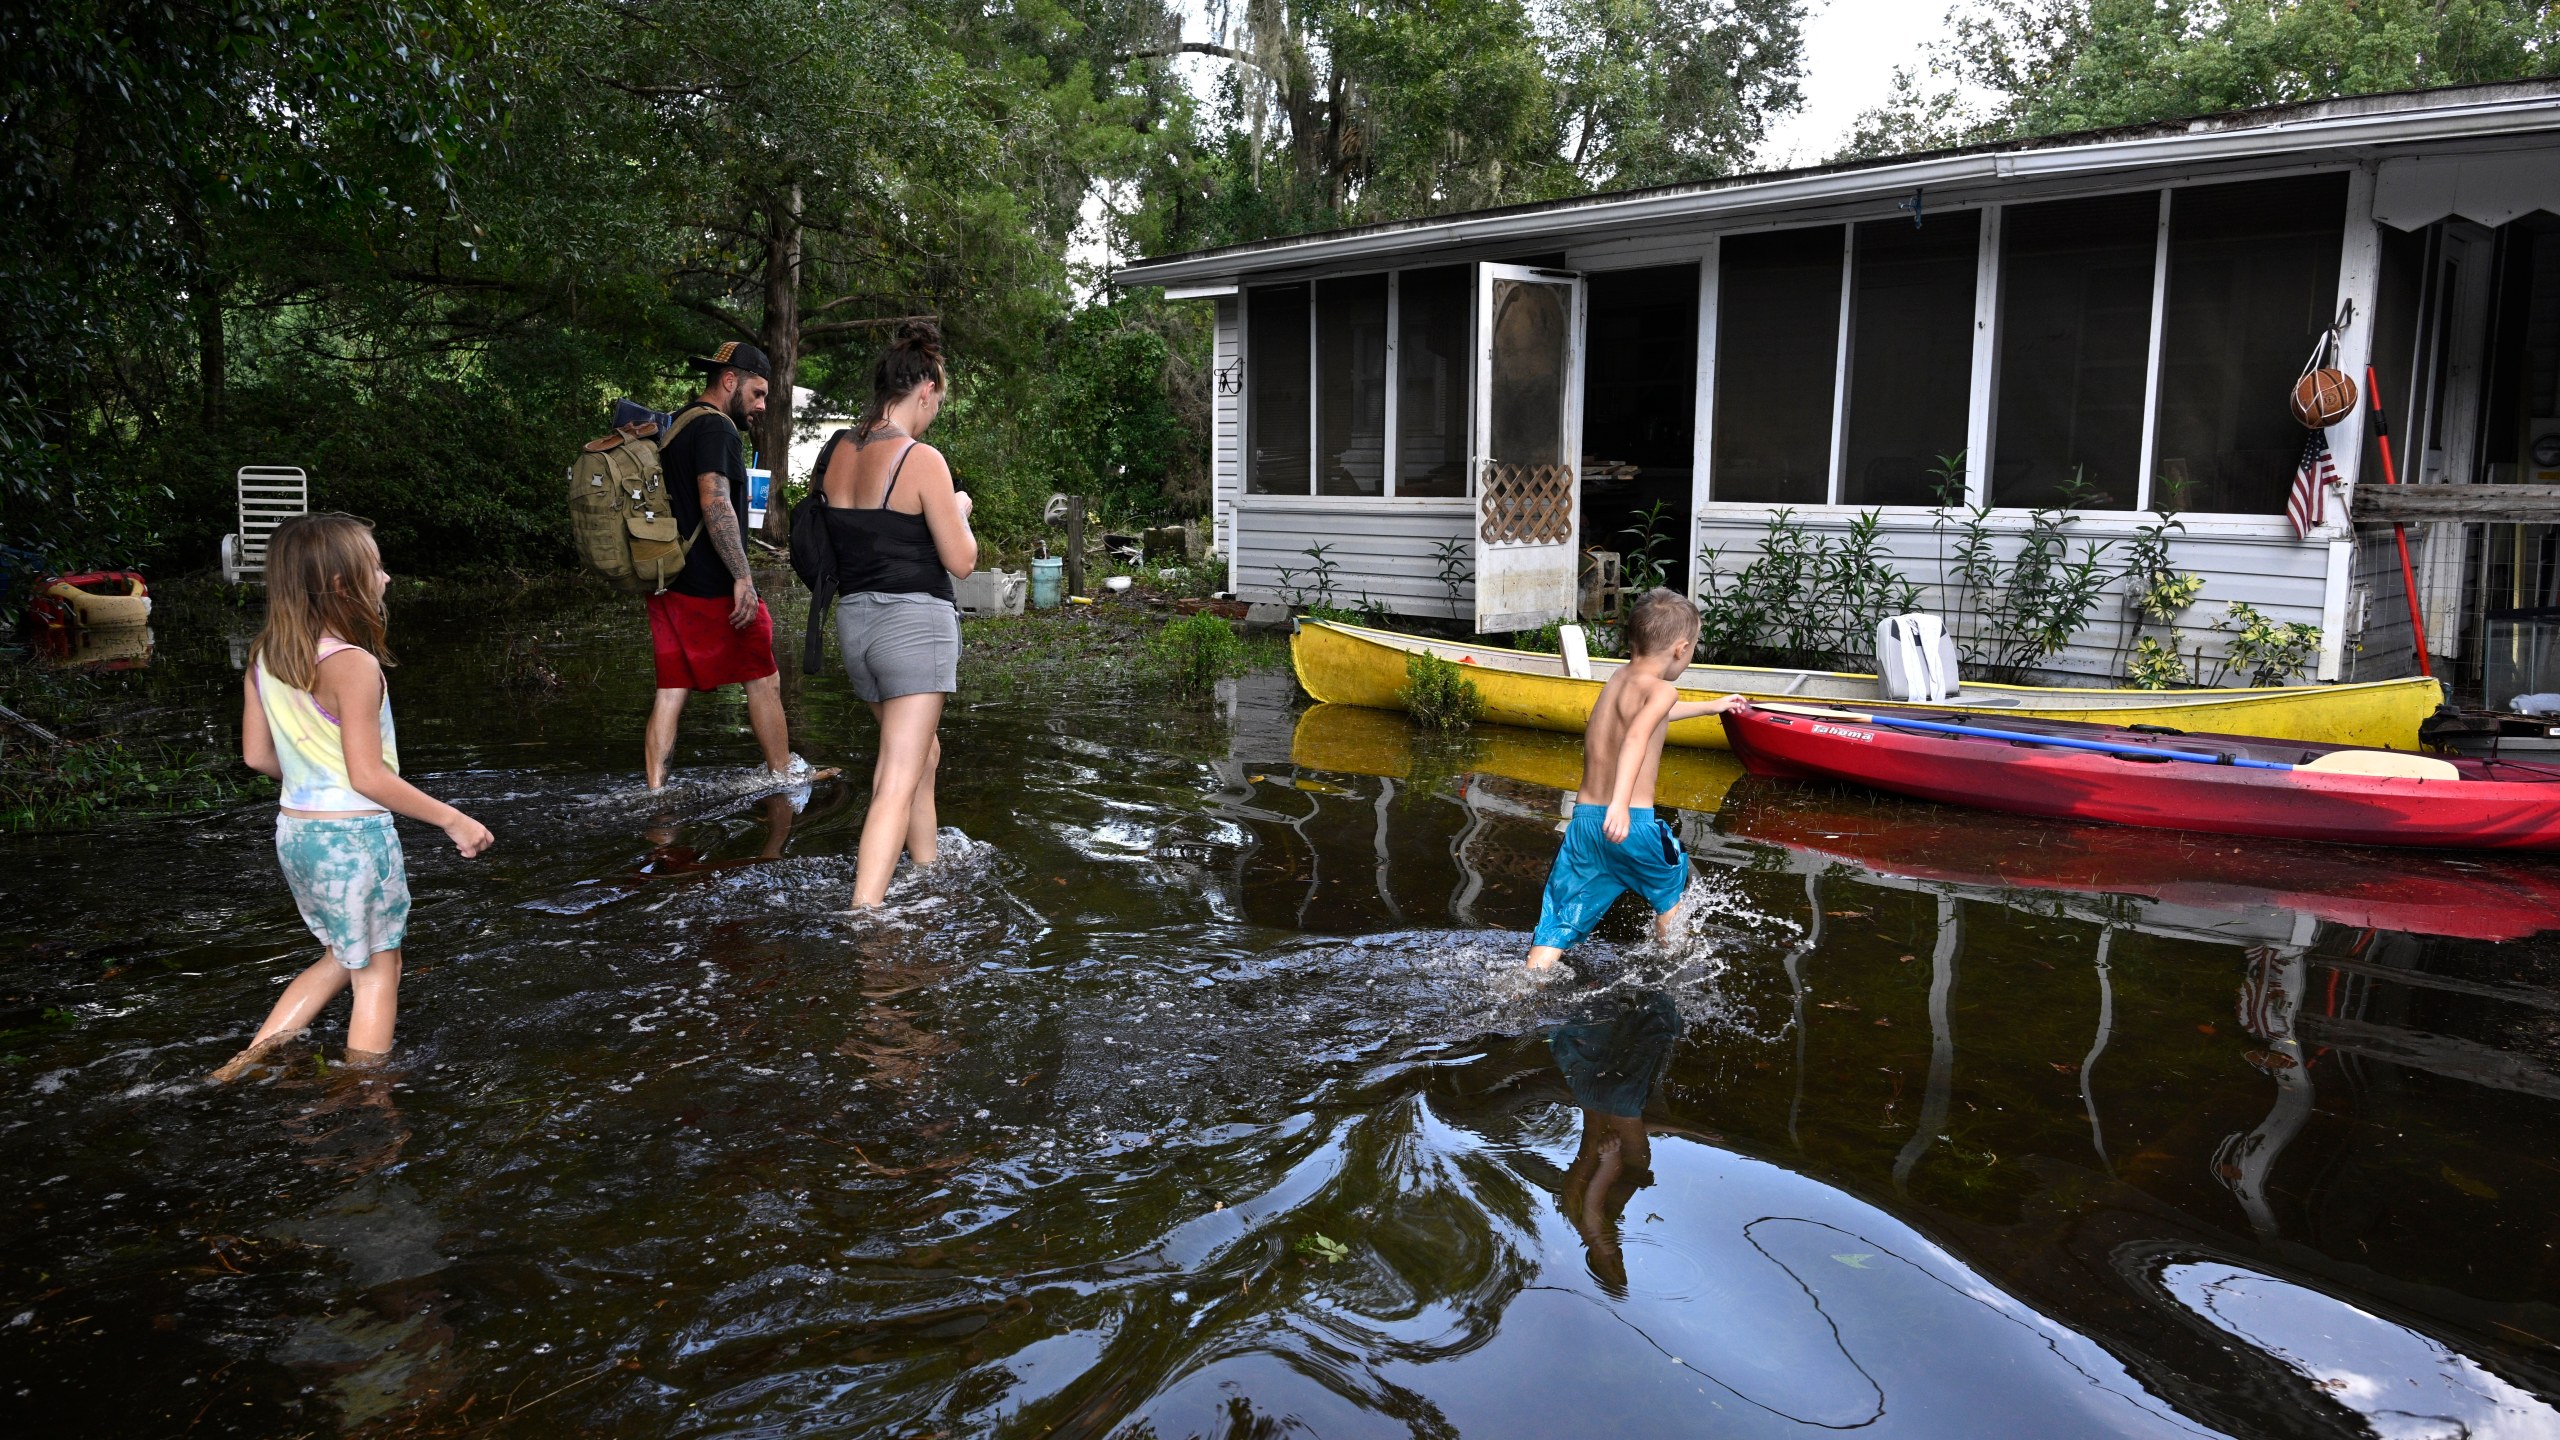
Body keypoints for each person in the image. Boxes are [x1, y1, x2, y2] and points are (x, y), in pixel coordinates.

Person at [213, 514, 495, 1082]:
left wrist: (315, 777)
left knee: (341, 957)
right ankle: (365, 1097)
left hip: (296, 832)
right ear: (343, 586)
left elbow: (257, 758)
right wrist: (453, 819)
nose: (386, 579)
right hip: (354, 840)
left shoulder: (266, 658)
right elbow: (368, 777)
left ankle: (237, 1070)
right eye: (376, 567)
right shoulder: (352, 664)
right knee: (378, 970)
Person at [821, 319, 977, 908]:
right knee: (894, 777)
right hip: (911, 627)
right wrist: (958, 506)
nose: (935, 409)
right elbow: (961, 560)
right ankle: (867, 917)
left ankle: (927, 870)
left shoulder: (837, 451)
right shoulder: (923, 459)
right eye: (938, 398)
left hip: (855, 625)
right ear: (925, 389)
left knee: (922, 754)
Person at [642, 339, 828, 791]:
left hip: (667, 582)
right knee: (763, 676)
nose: (762, 405)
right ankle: (783, 777)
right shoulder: (717, 429)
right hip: (710, 588)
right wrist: (743, 577)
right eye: (758, 393)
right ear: (730, 381)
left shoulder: (678, 426)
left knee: (670, 690)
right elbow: (716, 504)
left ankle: (653, 791)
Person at [1525, 589, 1741, 973]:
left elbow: (1653, 716)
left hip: (1585, 824)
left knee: (1558, 920)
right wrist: (1621, 805)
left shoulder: (1618, 679)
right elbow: (1637, 737)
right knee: (1672, 893)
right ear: (1681, 648)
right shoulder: (1663, 689)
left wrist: (1713, 706)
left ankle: (1529, 981)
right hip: (1631, 823)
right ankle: (1673, 966)